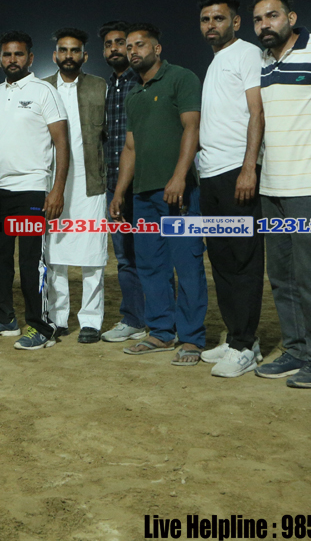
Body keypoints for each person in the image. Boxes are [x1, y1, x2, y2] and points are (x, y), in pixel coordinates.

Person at [250, 0, 311, 388]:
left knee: (310, 276)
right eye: (258, 19)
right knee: (282, 276)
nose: (264, 25)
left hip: (309, 185)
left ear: (291, 17)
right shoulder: (263, 62)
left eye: (272, 16)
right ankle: (296, 350)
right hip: (272, 186)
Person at [108, 23, 207, 365]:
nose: (133, 51)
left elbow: (192, 127)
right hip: (143, 196)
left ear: (157, 48)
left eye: (140, 45)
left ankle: (192, 339)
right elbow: (130, 148)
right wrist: (120, 191)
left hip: (179, 192)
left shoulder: (181, 78)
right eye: (129, 46)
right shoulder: (134, 94)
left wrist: (179, 176)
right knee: (150, 265)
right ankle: (161, 332)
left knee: (187, 265)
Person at [195, 0, 266, 378]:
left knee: (244, 260)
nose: (211, 25)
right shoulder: (216, 61)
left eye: (218, 18)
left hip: (236, 172)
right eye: (205, 19)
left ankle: (245, 344)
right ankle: (236, 336)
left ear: (235, 22)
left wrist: (249, 167)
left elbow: (257, 112)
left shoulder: (247, 54)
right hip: (210, 175)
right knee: (221, 260)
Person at [0, 31, 69, 350]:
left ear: (30, 58)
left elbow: (62, 143)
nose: (12, 60)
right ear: (0, 58)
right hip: (0, 191)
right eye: (7, 54)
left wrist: (56, 190)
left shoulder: (44, 91)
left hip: (32, 189)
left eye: (19, 54)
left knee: (31, 261)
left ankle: (41, 326)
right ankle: (4, 316)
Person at [42, 28, 109, 343]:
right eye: (63, 50)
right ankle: (57, 318)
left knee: (92, 253)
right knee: (54, 255)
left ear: (84, 55)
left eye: (75, 50)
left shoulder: (100, 86)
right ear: (55, 55)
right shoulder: (43, 88)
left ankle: (91, 321)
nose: (69, 55)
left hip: (90, 182)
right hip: (53, 182)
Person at [97, 22, 146, 343]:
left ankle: (162, 321)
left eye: (120, 42)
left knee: (153, 256)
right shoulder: (106, 88)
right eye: (109, 44)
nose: (115, 48)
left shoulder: (142, 82)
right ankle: (134, 319)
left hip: (144, 185)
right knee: (125, 257)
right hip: (114, 186)